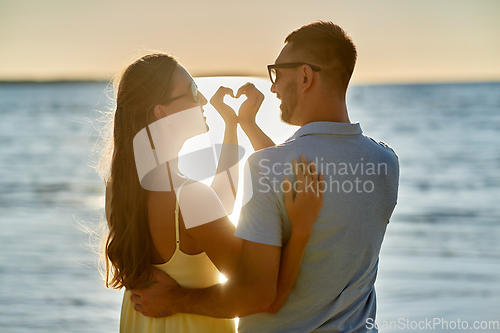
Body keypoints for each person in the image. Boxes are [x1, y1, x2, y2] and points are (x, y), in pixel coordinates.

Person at [130, 21, 400, 332]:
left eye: (277, 73)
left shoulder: (267, 167)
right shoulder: (385, 164)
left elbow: (255, 292)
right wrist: (244, 125)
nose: (272, 87)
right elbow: (286, 170)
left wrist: (174, 300)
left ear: (304, 76)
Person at [101, 53, 324, 332]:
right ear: (162, 112)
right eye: (193, 92)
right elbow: (257, 294)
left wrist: (233, 125)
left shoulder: (118, 192)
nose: (203, 100)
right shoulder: (190, 197)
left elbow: (217, 205)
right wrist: (301, 228)